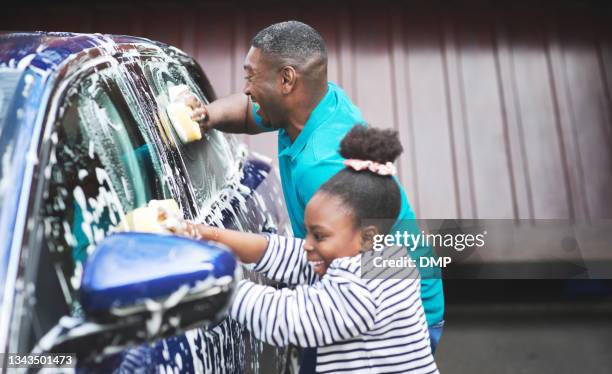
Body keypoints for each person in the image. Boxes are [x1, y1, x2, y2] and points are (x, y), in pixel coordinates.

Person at [184, 20, 444, 352]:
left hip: (391, 317)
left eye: (251, 76)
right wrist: (207, 115)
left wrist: (216, 284)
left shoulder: (323, 166)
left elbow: (315, 310)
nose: (246, 88)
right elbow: (250, 112)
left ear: (286, 80)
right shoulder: (314, 103)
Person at [170, 127, 438, 374]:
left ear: (367, 238)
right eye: (309, 232)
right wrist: (208, 234)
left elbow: (285, 317)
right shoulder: (386, 257)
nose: (308, 243)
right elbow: (287, 253)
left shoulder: (360, 288)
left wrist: (214, 282)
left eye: (319, 235)